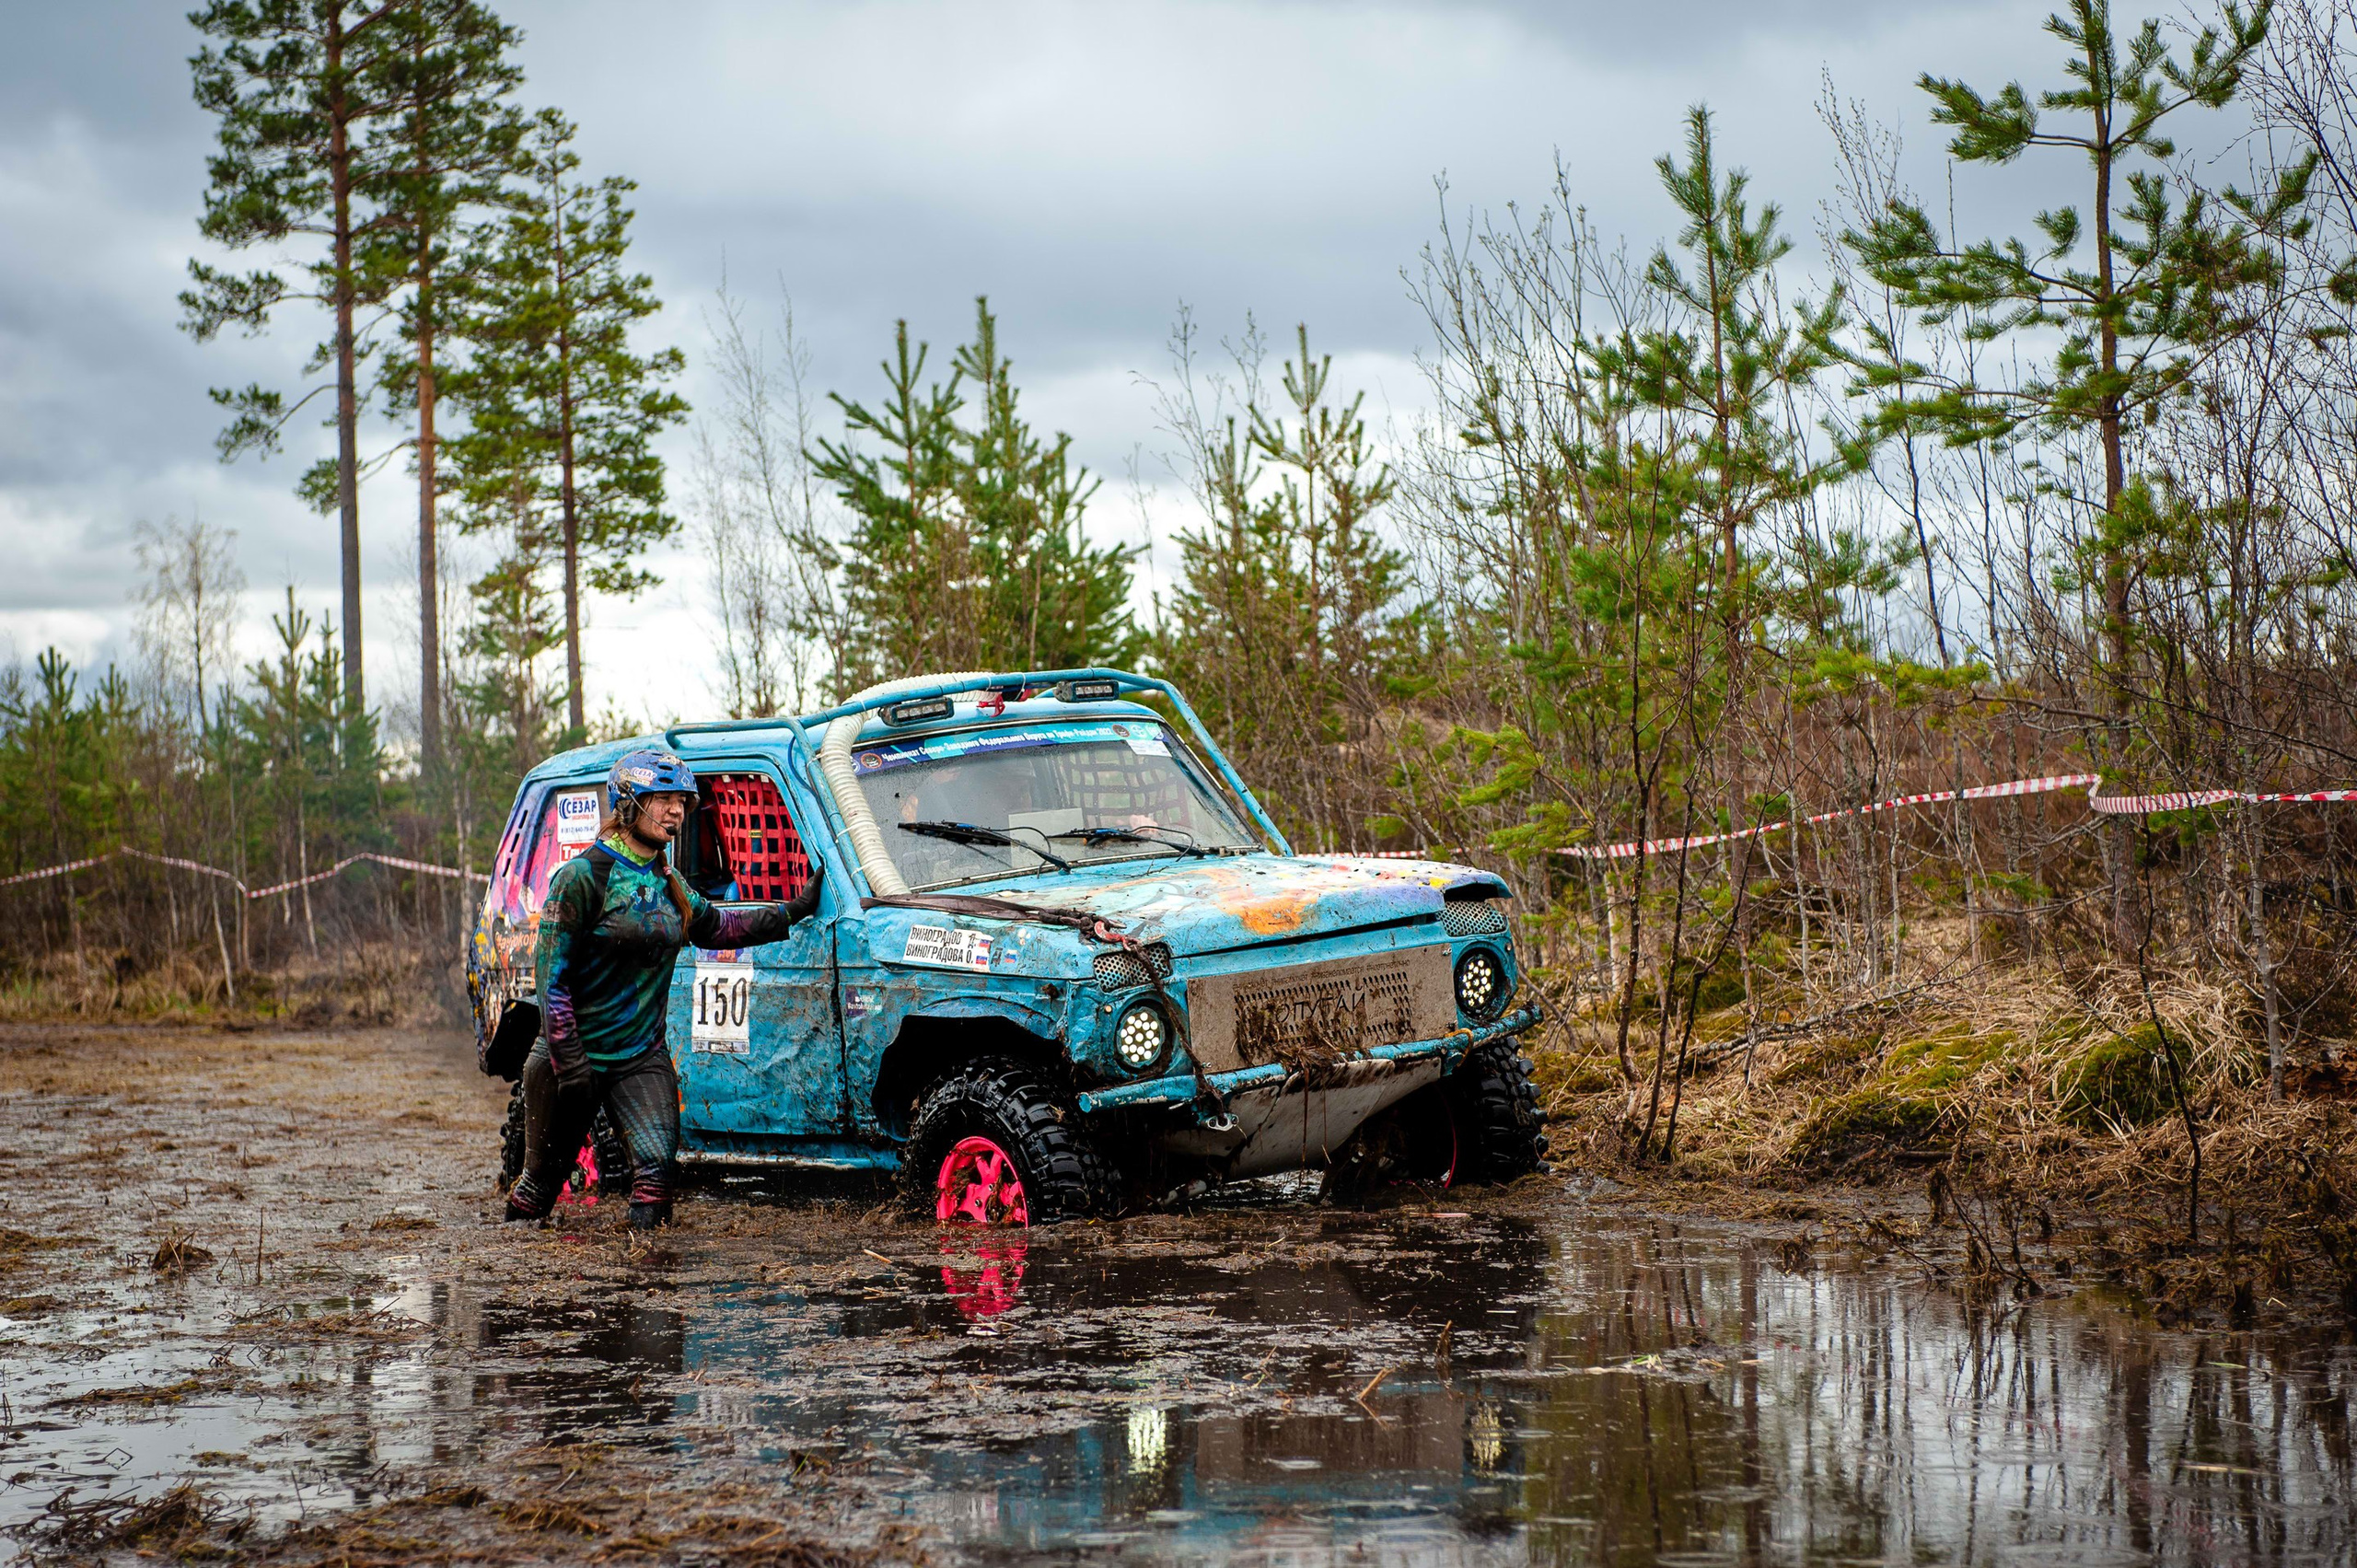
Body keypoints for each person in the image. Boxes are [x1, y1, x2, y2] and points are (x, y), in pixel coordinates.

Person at [506, 747, 824, 1230]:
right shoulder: (581, 878)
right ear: (628, 802)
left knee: (656, 1178)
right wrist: (571, 1065)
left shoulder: (668, 880)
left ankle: (646, 1272)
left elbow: (719, 927)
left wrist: (792, 912)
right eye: (664, 799)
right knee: (539, 1190)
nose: (677, 811)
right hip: (568, 1061)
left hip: (639, 1058)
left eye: (683, 802)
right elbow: (551, 982)